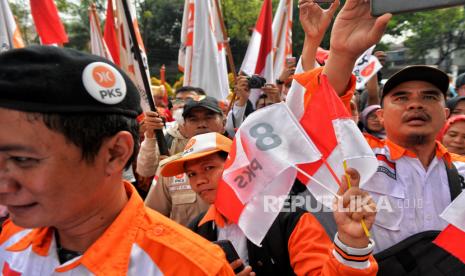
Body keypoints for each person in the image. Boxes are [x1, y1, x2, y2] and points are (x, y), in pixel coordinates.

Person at [0, 46, 233, 275]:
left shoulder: (193, 268)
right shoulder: (10, 239)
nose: (4, 185)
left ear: (115, 153)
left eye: (23, 159)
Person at [311, 0, 465, 255]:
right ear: (380, 117)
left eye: (429, 97)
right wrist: (342, 53)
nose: (415, 104)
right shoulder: (361, 161)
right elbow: (322, 114)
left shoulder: (460, 170)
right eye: (401, 98)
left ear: (445, 113)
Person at [160, 132, 379, 275]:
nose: (199, 180)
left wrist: (352, 242)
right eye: (191, 174)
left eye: (208, 168)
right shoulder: (195, 230)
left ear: (239, 165)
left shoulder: (291, 220)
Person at [142, 96, 226, 226]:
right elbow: (151, 218)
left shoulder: (244, 161)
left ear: (224, 124)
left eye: (209, 117)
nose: (202, 124)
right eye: (193, 119)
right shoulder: (170, 168)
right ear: (184, 128)